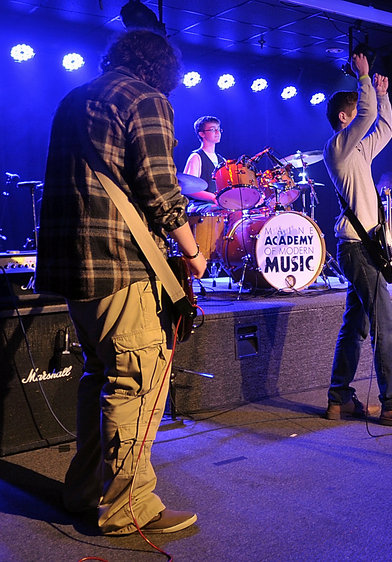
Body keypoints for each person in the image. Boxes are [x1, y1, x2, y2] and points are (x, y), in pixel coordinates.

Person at [35, 29, 206, 535]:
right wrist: (193, 253)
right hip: (120, 263)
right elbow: (159, 187)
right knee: (135, 380)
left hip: (73, 267)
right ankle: (128, 507)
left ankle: (84, 491)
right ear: (163, 68)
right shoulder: (145, 98)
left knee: (100, 376)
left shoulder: (75, 97)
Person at [323, 53, 392, 427]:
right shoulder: (337, 147)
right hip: (356, 249)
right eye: (353, 111)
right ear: (344, 118)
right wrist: (364, 77)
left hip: (363, 248)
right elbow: (367, 118)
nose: (359, 118)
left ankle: (339, 399)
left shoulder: (358, 151)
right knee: (385, 325)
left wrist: (382, 96)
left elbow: (383, 128)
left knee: (355, 325)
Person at [183, 115, 224, 213]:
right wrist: (213, 198)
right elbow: (188, 189)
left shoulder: (222, 160)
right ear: (202, 134)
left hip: (216, 204)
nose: (217, 132)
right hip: (199, 206)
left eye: (218, 129)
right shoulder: (196, 157)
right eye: (213, 129)